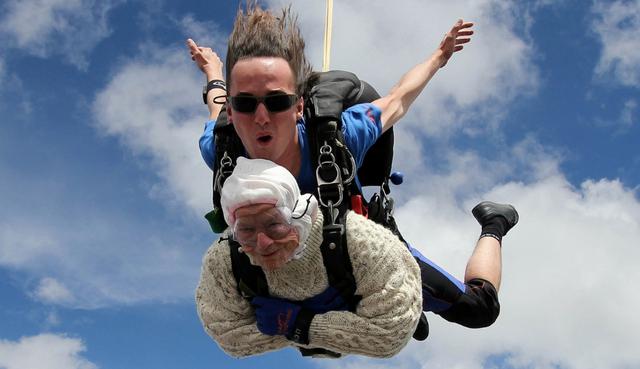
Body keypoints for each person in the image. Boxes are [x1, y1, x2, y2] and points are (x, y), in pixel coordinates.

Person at [189, 4, 517, 331]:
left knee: (479, 310)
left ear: (299, 107)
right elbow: (216, 105)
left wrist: (439, 56)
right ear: (232, 113)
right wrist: (212, 72)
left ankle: (494, 222)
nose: (261, 117)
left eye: (277, 102)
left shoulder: (340, 139)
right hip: (290, 267)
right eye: (246, 104)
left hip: (357, 251)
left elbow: (398, 99)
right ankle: (392, 309)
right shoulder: (223, 154)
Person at [196, 157, 424, 358]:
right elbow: (229, 338)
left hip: (374, 271)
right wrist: (343, 326)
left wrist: (300, 324)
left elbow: (390, 334)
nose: (263, 242)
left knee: (452, 300)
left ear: (300, 215)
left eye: (274, 224)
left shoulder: (361, 241)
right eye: (246, 230)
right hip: (357, 299)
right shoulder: (225, 260)